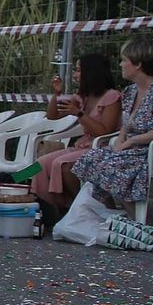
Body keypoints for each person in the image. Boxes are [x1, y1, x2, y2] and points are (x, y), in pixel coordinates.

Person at [71, 37, 153, 216]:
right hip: (128, 146)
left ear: (137, 64)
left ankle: (131, 218)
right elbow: (128, 122)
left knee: (102, 164)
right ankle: (108, 213)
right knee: (76, 160)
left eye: (124, 60)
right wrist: (122, 139)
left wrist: (131, 141)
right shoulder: (130, 91)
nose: (121, 64)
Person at [29, 53, 122, 215]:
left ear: (91, 72)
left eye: (78, 70)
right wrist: (57, 94)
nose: (75, 74)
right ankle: (22, 189)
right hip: (82, 145)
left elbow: (104, 131)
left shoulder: (111, 97)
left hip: (101, 147)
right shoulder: (82, 97)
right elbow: (52, 115)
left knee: (60, 163)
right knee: (38, 164)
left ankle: (74, 208)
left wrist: (79, 113)